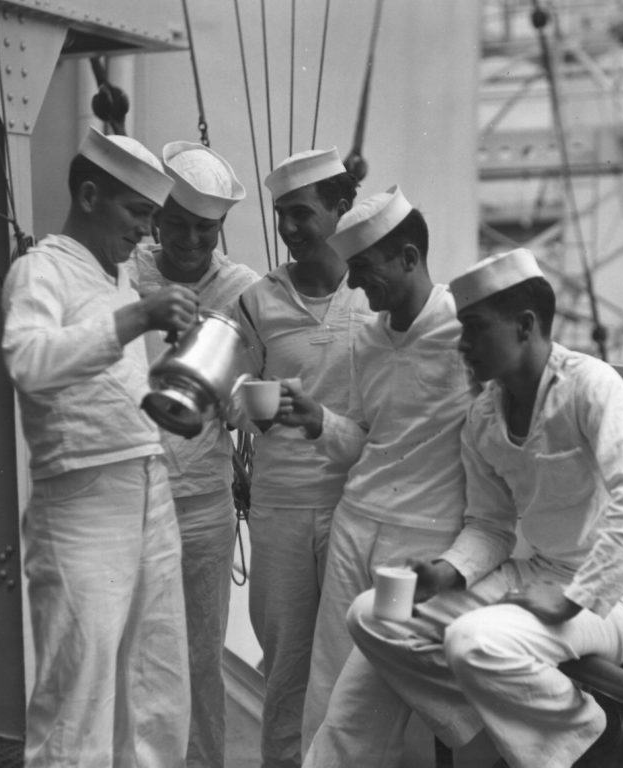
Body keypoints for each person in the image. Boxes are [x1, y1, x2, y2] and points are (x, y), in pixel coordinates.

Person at [303, 248, 623, 768]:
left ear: (525, 326)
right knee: (375, 615)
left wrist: (575, 596)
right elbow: (490, 525)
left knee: (473, 641)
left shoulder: (591, 387)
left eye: (475, 329)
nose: (463, 345)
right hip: (537, 573)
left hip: (615, 595)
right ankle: (501, 740)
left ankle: (602, 743)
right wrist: (447, 572)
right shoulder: (483, 414)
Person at [2, 128, 197, 767]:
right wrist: (137, 317)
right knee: (78, 691)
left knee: (156, 680)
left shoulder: (115, 276)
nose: (146, 233)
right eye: (137, 214)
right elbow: (27, 359)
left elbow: (108, 390)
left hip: (148, 487)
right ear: (89, 194)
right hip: (82, 503)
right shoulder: (41, 269)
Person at [272, 186, 476, 750]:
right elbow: (365, 439)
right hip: (354, 526)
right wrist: (320, 422)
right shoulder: (368, 338)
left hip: (417, 545)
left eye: (363, 267)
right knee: (331, 681)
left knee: (392, 694)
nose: (355, 284)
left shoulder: (467, 335)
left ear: (409, 258)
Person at [229, 147, 371, 768]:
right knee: (286, 659)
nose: (289, 230)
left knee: (351, 660)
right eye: (281, 215)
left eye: (303, 214)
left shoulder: (373, 295)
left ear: (342, 208)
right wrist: (249, 408)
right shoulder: (258, 300)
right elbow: (230, 394)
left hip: (358, 501)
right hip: (282, 505)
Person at [129, 141, 259, 768]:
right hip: (127, 492)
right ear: (156, 217)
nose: (188, 240)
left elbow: (253, 392)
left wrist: (238, 399)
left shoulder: (242, 290)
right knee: (132, 649)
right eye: (176, 223)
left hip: (203, 501)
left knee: (199, 657)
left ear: (220, 229)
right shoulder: (125, 272)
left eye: (204, 229)